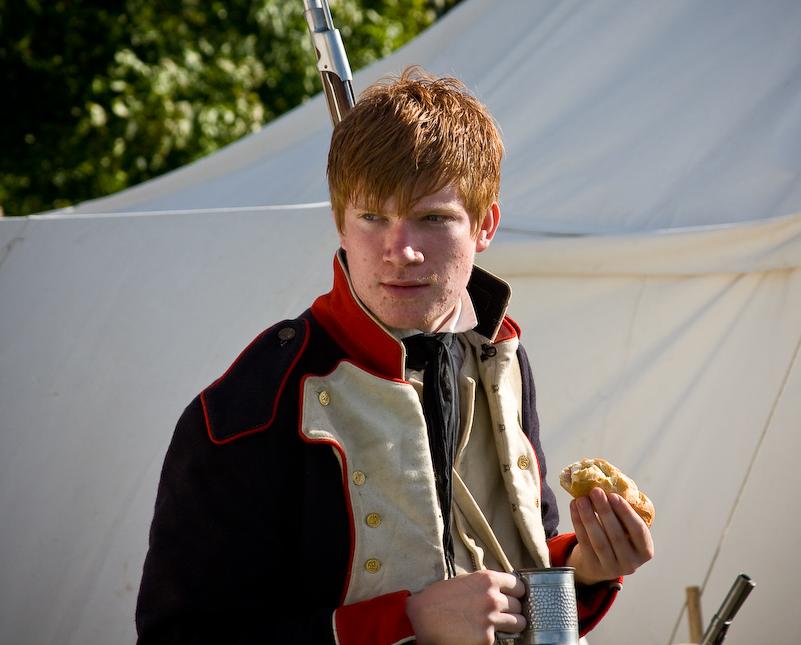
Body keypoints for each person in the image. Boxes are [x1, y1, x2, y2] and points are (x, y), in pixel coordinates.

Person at [135, 66, 653, 645]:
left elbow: (524, 566)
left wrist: (584, 570)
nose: (400, 251)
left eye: (432, 218)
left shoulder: (502, 360)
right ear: (340, 222)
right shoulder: (253, 405)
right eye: (373, 217)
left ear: (485, 225)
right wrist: (403, 624)